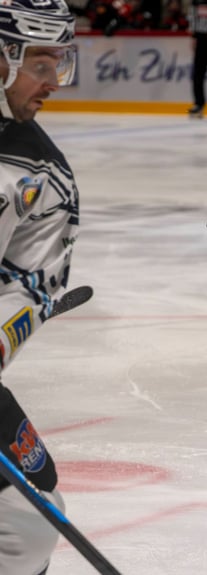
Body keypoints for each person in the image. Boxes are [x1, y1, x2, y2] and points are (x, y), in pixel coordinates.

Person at [0, 1, 82, 573]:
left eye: (60, 64)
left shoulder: (43, 175)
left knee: (32, 522)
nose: (54, 83)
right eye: (42, 65)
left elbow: (27, 285)